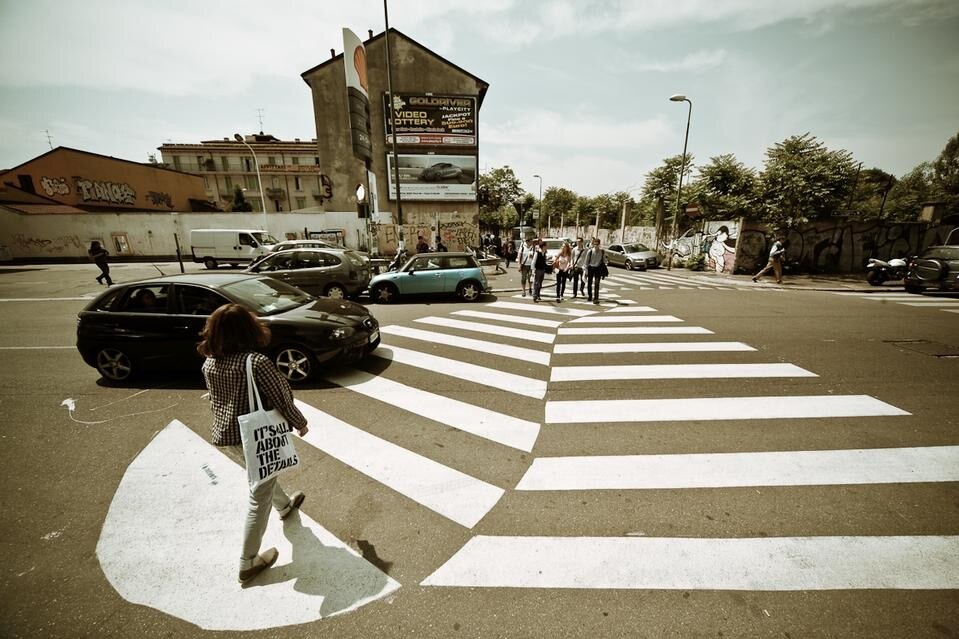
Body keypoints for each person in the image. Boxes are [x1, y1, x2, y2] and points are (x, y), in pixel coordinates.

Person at [198, 304, 309, 585]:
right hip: (253, 436)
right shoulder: (255, 362)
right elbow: (282, 397)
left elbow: (213, 398)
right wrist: (299, 422)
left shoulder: (209, 361)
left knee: (264, 474)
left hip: (227, 435)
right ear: (249, 329)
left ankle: (284, 507)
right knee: (259, 493)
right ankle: (248, 561)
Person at [585, 238, 606, 304]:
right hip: (591, 268)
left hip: (598, 268)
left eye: (597, 244)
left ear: (599, 244)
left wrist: (605, 260)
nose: (596, 246)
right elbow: (586, 262)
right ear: (593, 244)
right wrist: (585, 271)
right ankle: (590, 296)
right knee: (589, 283)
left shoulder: (602, 251)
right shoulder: (590, 251)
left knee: (597, 284)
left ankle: (596, 298)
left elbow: (604, 261)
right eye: (595, 244)